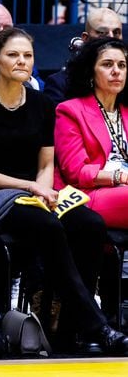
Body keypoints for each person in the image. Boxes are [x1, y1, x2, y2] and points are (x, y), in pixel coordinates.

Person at [0, 27, 128, 355]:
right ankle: (95, 325)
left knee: (89, 223)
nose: (21, 61)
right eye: (12, 54)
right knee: (49, 227)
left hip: (39, 191)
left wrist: (45, 189)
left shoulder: (41, 104)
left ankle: (69, 330)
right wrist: (31, 187)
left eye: (27, 55)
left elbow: (47, 163)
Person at [54, 38, 128, 323]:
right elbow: (76, 171)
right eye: (107, 65)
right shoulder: (70, 110)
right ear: (90, 71)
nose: (116, 72)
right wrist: (119, 176)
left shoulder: (126, 111)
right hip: (86, 194)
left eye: (122, 65)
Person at [44, 7, 123, 106]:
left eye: (116, 32)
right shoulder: (60, 83)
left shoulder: (123, 80)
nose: (111, 37)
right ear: (85, 38)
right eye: (102, 32)